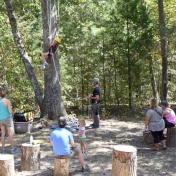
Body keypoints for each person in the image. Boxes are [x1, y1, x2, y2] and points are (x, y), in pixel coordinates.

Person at [0, 89, 19, 154]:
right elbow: (10, 111)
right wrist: (11, 107)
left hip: (1, 119)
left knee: (2, 133)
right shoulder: (7, 101)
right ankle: (12, 149)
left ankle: (3, 149)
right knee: (10, 133)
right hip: (7, 118)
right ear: (5, 94)